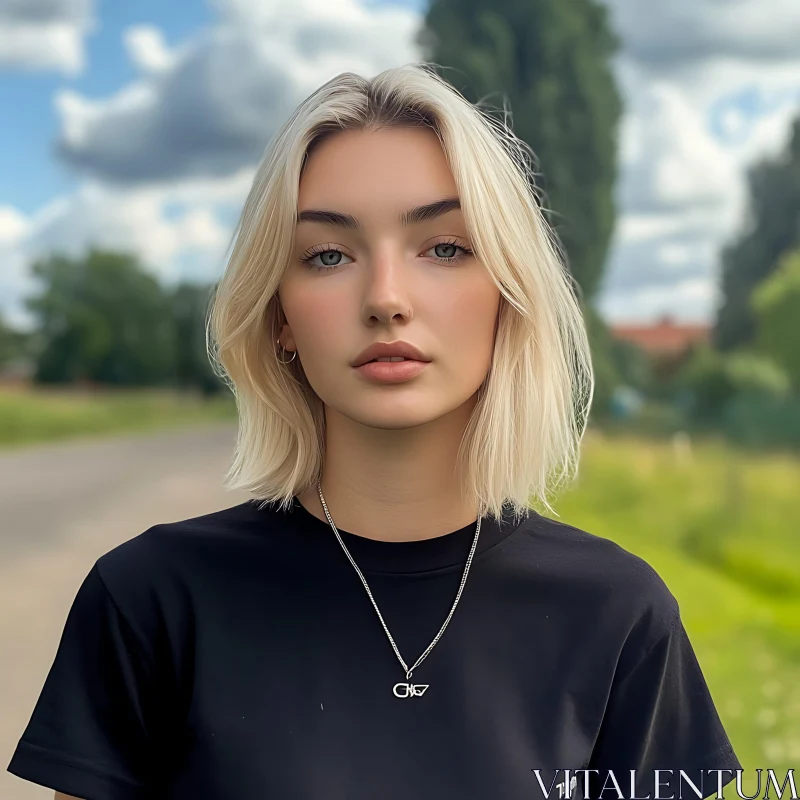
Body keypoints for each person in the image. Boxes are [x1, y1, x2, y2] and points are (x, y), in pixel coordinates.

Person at [7, 63, 741, 800]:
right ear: (280, 316)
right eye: (329, 254)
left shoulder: (619, 615)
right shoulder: (150, 600)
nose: (386, 298)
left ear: (507, 296)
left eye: (445, 247)